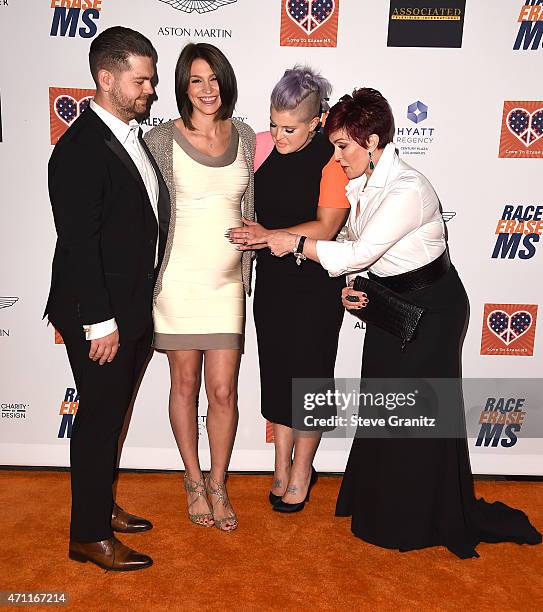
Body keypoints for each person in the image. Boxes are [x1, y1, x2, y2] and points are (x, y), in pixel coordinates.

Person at [265, 88, 542, 557]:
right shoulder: (366, 180)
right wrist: (359, 283)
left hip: (432, 312)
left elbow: (357, 249)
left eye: (343, 148)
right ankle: (380, 506)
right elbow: (362, 246)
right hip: (391, 305)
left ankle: (413, 519)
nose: (335, 159)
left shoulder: (408, 188)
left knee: (416, 416)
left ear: (372, 142)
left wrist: (294, 243)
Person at [45, 26, 171, 571]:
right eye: (141, 80)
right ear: (107, 78)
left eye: (152, 80)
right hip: (98, 313)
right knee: (98, 420)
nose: (151, 90)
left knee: (111, 415)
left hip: (131, 306)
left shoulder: (128, 135)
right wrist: (100, 322)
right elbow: (79, 244)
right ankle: (88, 535)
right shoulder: (79, 150)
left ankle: (99, 503)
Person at [144, 43, 255, 531]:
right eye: (196, 80)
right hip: (178, 280)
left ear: (225, 81)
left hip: (227, 281)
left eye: (213, 79)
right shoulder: (160, 139)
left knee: (224, 390)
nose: (207, 89)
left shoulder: (248, 136)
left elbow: (251, 203)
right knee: (184, 385)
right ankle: (192, 480)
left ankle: (218, 483)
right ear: (182, 87)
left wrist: (257, 232)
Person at [228, 66, 349, 513]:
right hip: (274, 282)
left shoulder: (333, 159)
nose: (277, 135)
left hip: (316, 282)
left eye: (290, 128)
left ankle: (302, 472)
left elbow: (328, 226)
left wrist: (267, 235)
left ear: (317, 121)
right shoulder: (260, 144)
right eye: (274, 124)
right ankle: (281, 466)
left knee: (311, 377)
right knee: (278, 373)